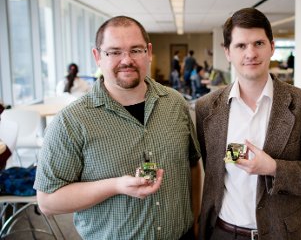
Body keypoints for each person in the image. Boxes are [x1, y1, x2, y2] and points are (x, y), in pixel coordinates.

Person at [34, 16, 202, 240]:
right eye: (114, 52)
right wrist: (115, 186)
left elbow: (192, 165)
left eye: (136, 50)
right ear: (97, 57)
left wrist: (197, 222)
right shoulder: (71, 121)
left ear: (148, 52)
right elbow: (47, 201)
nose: (126, 60)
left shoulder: (174, 103)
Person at [195, 8, 301, 240]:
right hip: (222, 232)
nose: (250, 53)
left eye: (258, 43)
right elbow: (212, 173)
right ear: (227, 52)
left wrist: (274, 168)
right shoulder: (206, 108)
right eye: (241, 45)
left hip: (282, 233)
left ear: (272, 47)